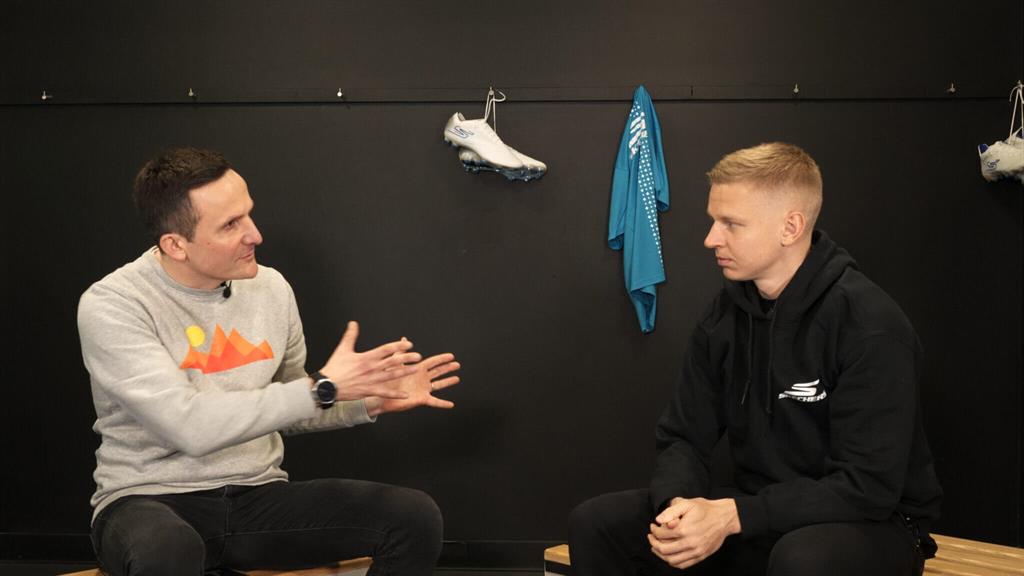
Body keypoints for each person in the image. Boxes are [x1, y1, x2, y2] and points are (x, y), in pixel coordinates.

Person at [77, 147, 461, 576]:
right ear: (176, 245)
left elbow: (290, 405)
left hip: (255, 499)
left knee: (414, 518)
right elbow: (190, 427)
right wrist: (322, 388)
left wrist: (367, 400)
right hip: (147, 501)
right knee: (167, 549)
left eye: (249, 214)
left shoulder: (271, 288)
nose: (255, 235)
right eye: (231, 224)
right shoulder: (114, 304)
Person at [569, 142, 942, 576]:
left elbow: (868, 487)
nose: (711, 238)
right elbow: (684, 436)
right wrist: (679, 506)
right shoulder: (725, 315)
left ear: (790, 227)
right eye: (714, 220)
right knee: (598, 523)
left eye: (731, 223)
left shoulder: (870, 324)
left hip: (873, 524)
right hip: (759, 511)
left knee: (802, 560)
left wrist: (734, 516)